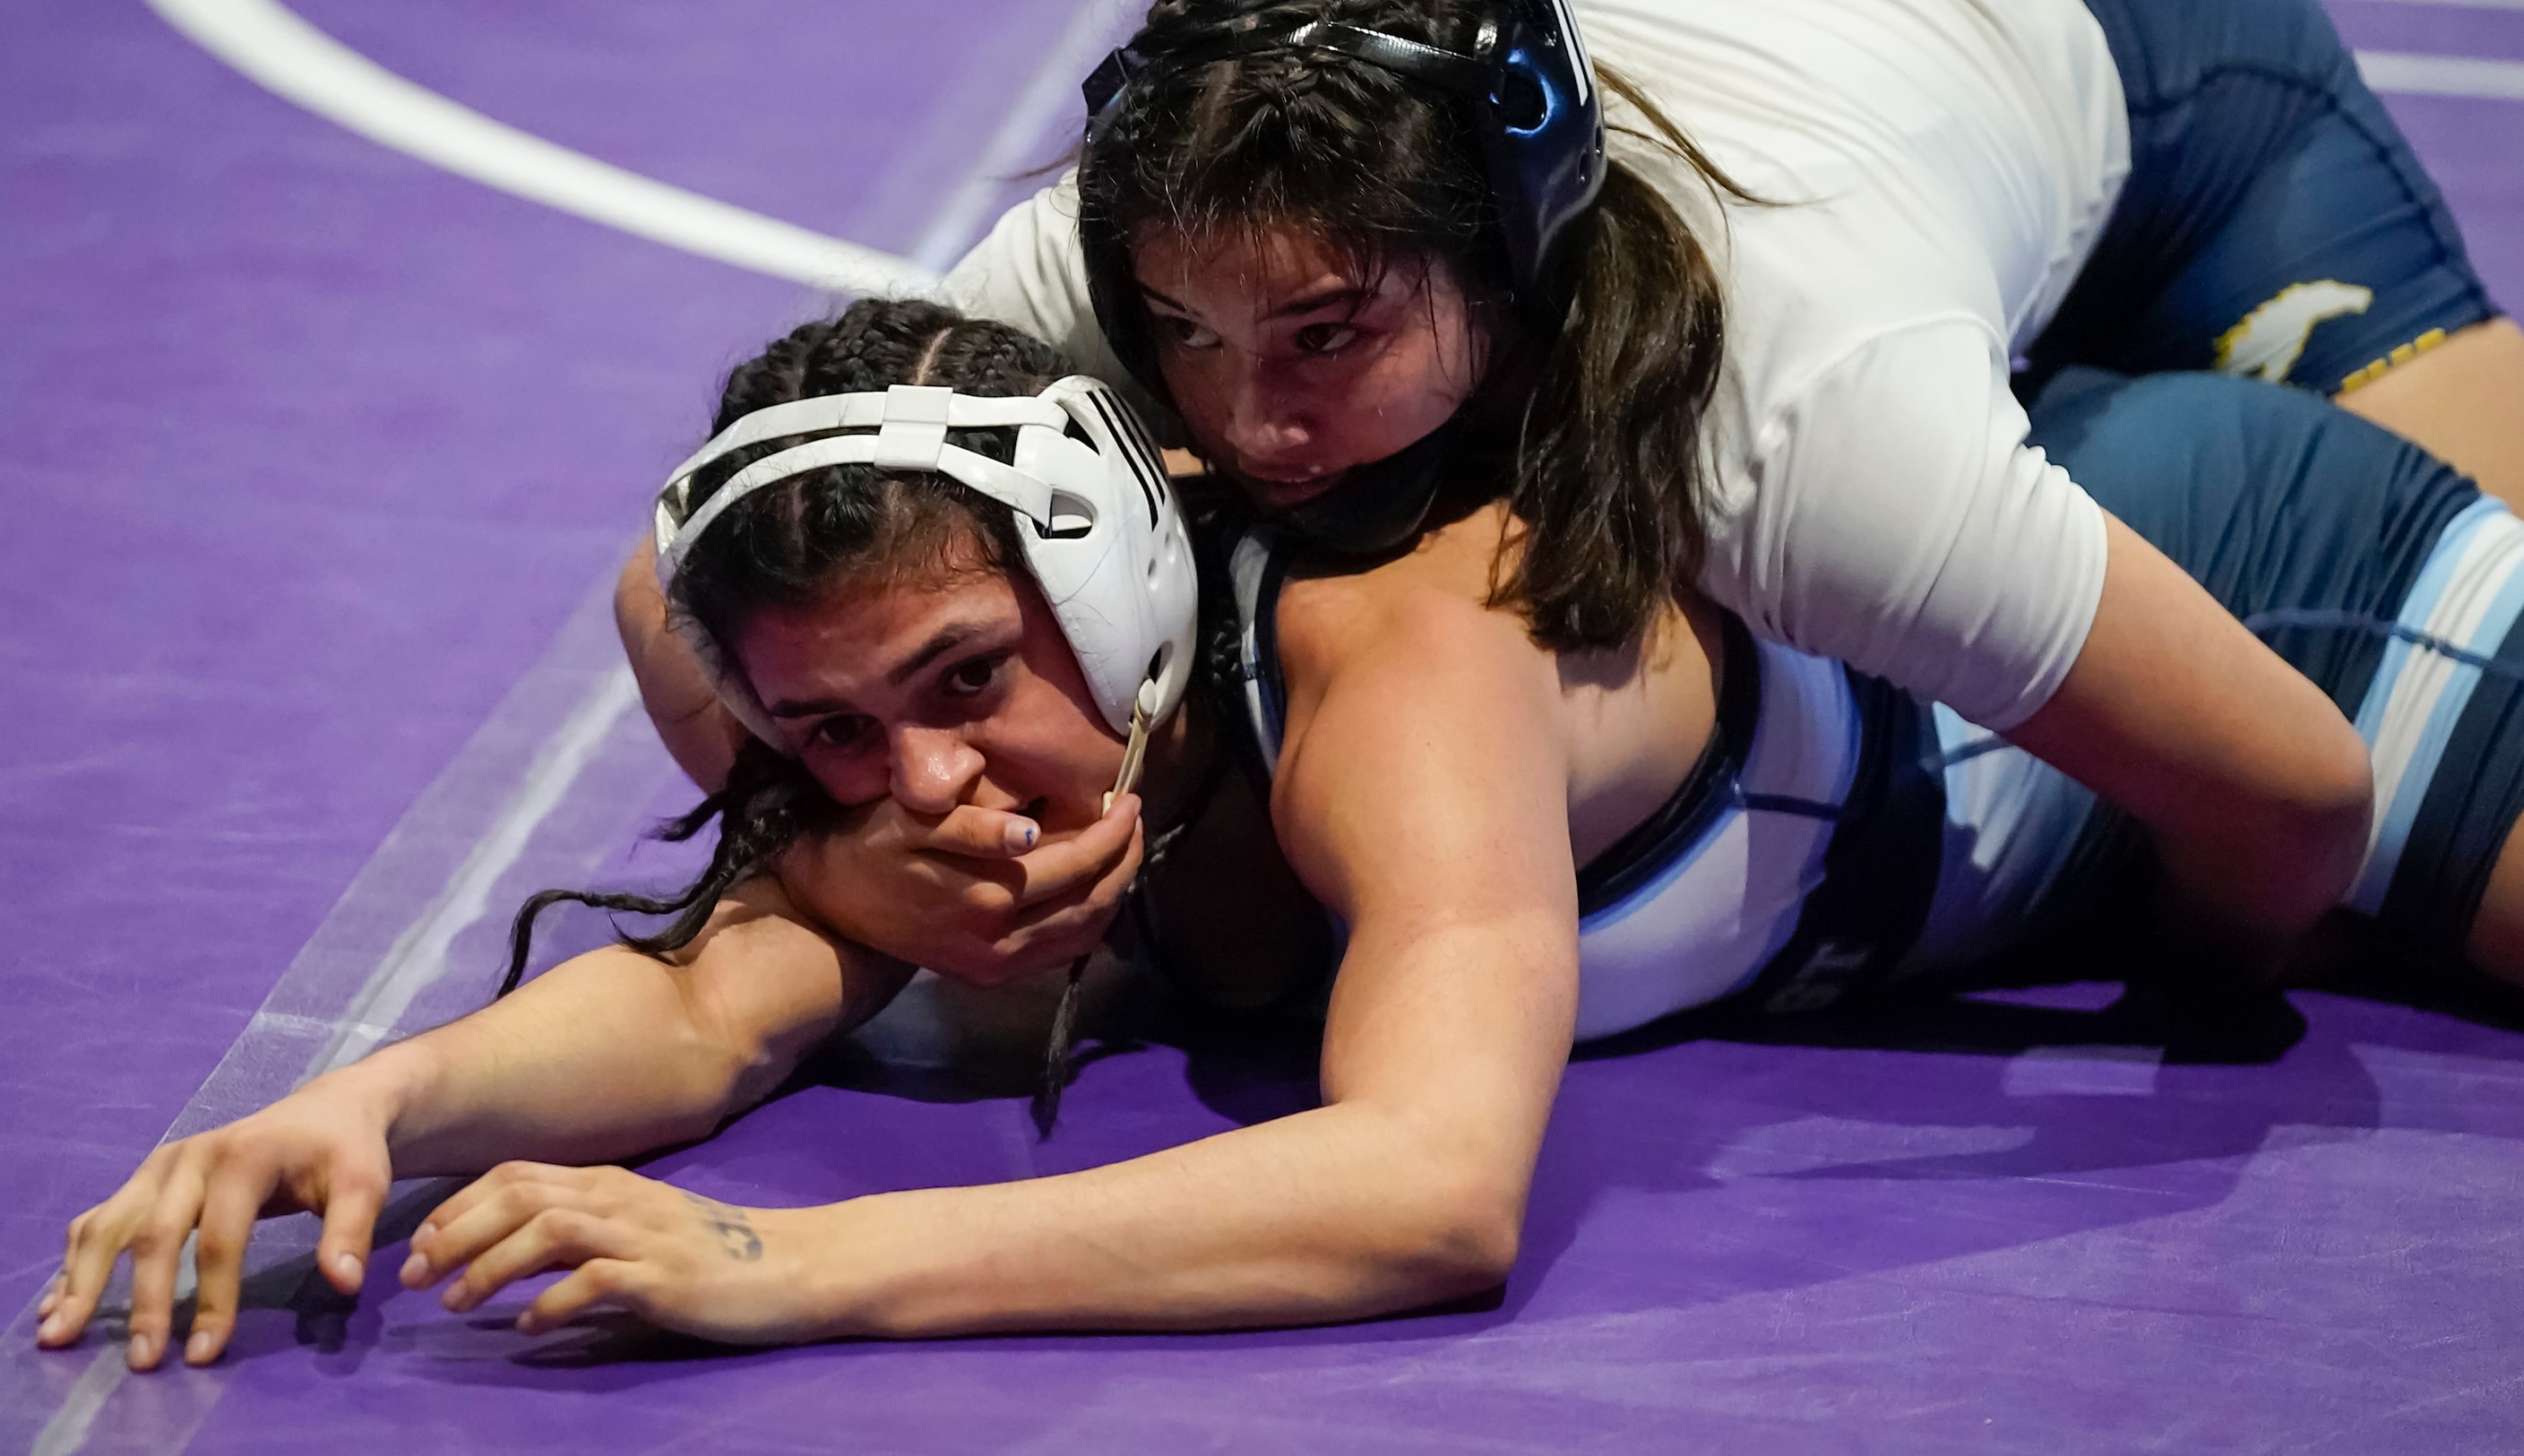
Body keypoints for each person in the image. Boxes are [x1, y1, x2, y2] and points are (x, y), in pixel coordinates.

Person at [39, 297, 2524, 1367]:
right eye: (825, 734)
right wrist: (363, 1098)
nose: (923, 790)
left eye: (961, 682)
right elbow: (718, 993)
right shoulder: (926, 773)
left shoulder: (1392, 662)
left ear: (1120, 585)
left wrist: (796, 1272)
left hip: (2274, 604)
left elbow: (1428, 1191)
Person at [622, 0, 2524, 994]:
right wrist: (850, 857)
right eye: (1181, 342)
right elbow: (684, 578)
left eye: (1324, 338)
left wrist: (2173, 964)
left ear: (1502, 247)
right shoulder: (1190, 225)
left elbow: (2288, 804)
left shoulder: (1793, 432)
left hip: (2148, 61)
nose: (1244, 416)